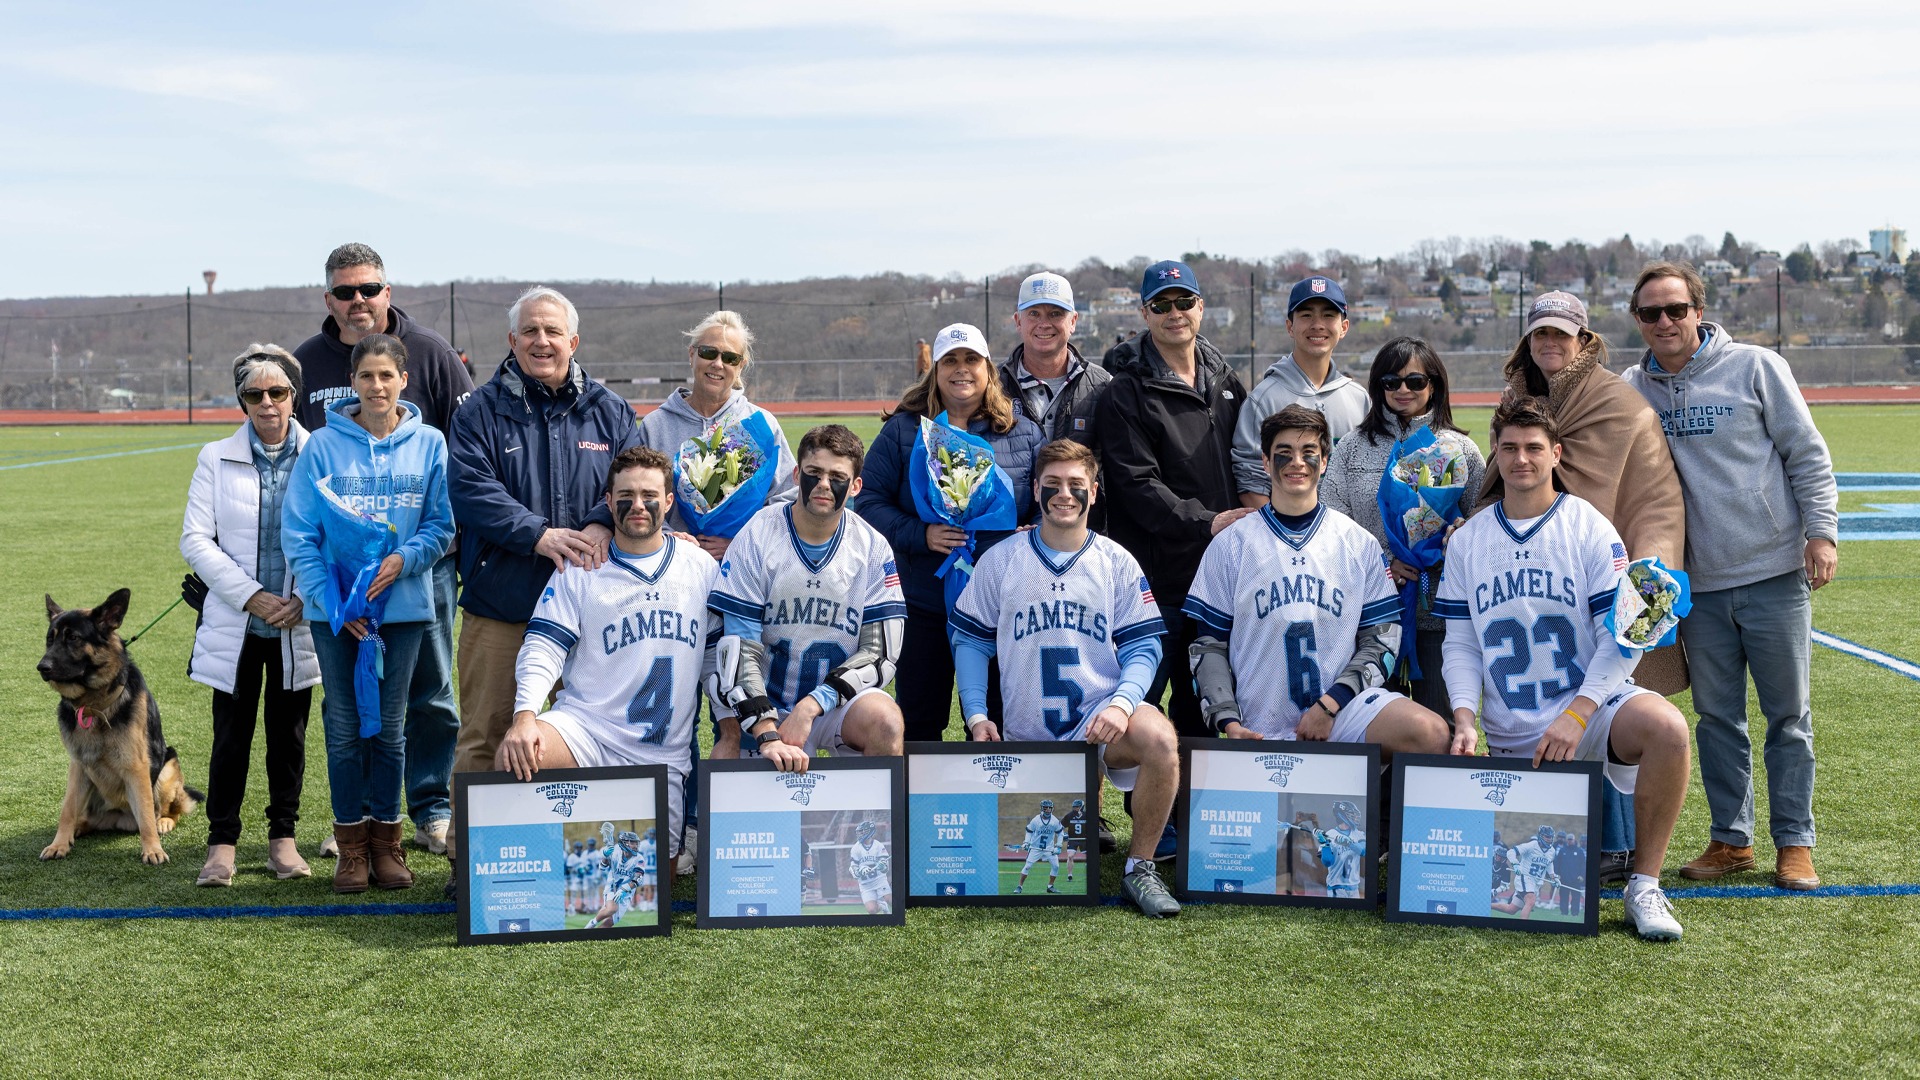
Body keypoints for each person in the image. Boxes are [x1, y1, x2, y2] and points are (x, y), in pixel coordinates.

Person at [1435, 397, 1693, 941]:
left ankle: (1644, 885)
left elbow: (1624, 639)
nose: (1521, 459)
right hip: (1512, 731)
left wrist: (1578, 713)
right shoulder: (1468, 542)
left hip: (1587, 713)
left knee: (1668, 728)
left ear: (1556, 453)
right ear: (1495, 455)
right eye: (1509, 447)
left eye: (1534, 448)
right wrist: (1463, 716)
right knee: (1502, 888)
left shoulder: (1591, 530)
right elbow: (1460, 643)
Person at [1622, 260, 1838, 891]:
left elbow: (1807, 452)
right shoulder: (1633, 387)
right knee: (1717, 719)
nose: (1664, 322)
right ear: (1637, 320)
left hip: (1772, 570)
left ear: (1699, 311)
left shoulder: (1757, 367)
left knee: (1787, 715)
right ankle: (1731, 839)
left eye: (1675, 310)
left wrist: (1820, 534)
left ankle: (1794, 841)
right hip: (1700, 584)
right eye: (1650, 313)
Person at [1487, 291, 1688, 886]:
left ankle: (1623, 851)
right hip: (1531, 578)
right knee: (1547, 699)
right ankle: (1576, 842)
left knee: (1604, 695)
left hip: (1601, 567)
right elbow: (1502, 478)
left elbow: (1652, 496)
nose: (1550, 344)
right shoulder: (1519, 399)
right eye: (1540, 334)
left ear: (1585, 340)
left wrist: (1650, 572)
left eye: (1562, 334)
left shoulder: (1617, 404)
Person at [949, 439, 1182, 917]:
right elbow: (971, 641)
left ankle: (1140, 868)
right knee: (1013, 866)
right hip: (1027, 736)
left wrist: (1122, 704)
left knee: (1158, 736)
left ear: (1094, 493)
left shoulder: (1116, 561)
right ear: (1035, 489)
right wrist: (975, 714)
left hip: (1097, 727)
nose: (1064, 494)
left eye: (1077, 485)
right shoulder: (1002, 559)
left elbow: (1145, 646)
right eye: (1052, 484)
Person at [294, 243, 471, 857]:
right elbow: (299, 469)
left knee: (430, 691)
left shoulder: (431, 352)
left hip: (421, 571)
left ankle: (430, 807)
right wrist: (321, 584)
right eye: (345, 292)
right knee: (348, 707)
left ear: (387, 293)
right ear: (329, 300)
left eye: (368, 289)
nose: (358, 301)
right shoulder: (306, 362)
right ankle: (360, 818)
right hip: (341, 582)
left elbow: (462, 441)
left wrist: (426, 550)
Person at [282, 334, 454, 893]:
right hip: (339, 616)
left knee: (393, 726)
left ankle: (388, 843)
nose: (376, 386)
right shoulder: (323, 448)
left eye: (386, 376)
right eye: (366, 377)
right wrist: (334, 604)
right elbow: (301, 534)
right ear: (351, 383)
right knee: (344, 725)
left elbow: (441, 526)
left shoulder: (429, 443)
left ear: (404, 379)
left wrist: (404, 559)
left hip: (403, 609)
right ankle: (350, 847)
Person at [447, 286, 637, 787]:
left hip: (590, 608)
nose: (541, 340)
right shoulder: (478, 411)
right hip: (502, 605)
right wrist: (537, 535)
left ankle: (572, 856)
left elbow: (637, 477)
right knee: (487, 736)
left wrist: (601, 519)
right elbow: (469, 489)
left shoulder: (611, 411)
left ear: (573, 341)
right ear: (512, 339)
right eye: (530, 330)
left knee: (586, 736)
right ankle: (470, 860)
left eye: (552, 331)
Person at [1186, 405, 1452, 756]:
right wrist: (1229, 723)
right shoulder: (1231, 544)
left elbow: (1383, 639)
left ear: (1324, 461)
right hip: (1260, 720)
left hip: (1341, 713)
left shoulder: (1357, 542)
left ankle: (1381, 805)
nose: (1297, 462)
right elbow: (1207, 646)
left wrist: (1330, 705)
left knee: (1430, 732)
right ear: (1265, 462)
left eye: (1308, 453)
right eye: (1284, 454)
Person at [496, 447, 720, 863]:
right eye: (626, 495)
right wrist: (525, 716)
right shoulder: (581, 567)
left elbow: (716, 660)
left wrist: (731, 727)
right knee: (520, 754)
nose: (638, 505)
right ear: (607, 500)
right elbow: (544, 644)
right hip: (588, 732)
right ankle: (534, 874)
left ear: (669, 502)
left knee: (654, 894)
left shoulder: (700, 568)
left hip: (660, 755)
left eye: (649, 495)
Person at [858, 323, 1042, 740]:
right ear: (936, 370)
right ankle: (926, 806)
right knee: (920, 721)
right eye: (951, 361)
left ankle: (998, 803)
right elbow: (868, 504)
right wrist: (921, 534)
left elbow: (1042, 503)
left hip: (998, 605)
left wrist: (1032, 533)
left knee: (998, 718)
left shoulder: (1021, 431)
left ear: (989, 369)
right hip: (923, 598)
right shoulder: (904, 430)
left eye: (972, 360)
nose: (962, 370)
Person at [181, 345, 321, 886]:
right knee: (230, 736)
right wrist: (253, 596)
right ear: (242, 400)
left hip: (299, 623)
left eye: (278, 392)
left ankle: (282, 840)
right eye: (254, 394)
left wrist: (303, 598)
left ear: (294, 395)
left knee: (289, 738)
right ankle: (221, 844)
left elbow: (339, 536)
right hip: (237, 624)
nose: (267, 403)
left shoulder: (322, 454)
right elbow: (195, 539)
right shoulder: (214, 457)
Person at [1096, 260, 1250, 739]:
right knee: (1138, 714)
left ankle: (1191, 815)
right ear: (1145, 313)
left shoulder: (1226, 383)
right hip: (1156, 584)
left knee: (1206, 707)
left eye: (1184, 302)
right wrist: (1209, 521)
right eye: (1161, 305)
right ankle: (1144, 815)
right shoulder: (1126, 392)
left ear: (1200, 307)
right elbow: (1137, 485)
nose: (1174, 313)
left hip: (1219, 578)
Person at [707, 425, 906, 768]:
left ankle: (870, 822)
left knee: (886, 721)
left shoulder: (872, 548)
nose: (825, 484)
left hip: (834, 704)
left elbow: (880, 653)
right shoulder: (757, 535)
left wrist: (813, 704)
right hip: (763, 702)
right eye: (815, 473)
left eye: (837, 476)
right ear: (797, 474)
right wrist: (767, 732)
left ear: (856, 486)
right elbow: (739, 647)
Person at [1320, 338, 1484, 717]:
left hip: (1439, 615)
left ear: (1435, 385)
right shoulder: (1352, 447)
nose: (1403, 390)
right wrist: (1385, 562)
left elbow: (1483, 522)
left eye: (1415, 381)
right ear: (1378, 386)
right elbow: (1332, 525)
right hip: (1371, 616)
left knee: (1440, 732)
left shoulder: (1461, 450)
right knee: (1373, 734)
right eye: (1391, 382)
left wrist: (1453, 542)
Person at [637, 310, 798, 560]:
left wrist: (741, 541)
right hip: (672, 563)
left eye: (730, 358)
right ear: (692, 355)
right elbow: (639, 495)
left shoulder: (762, 425)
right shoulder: (655, 425)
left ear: (741, 366)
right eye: (709, 353)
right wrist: (671, 538)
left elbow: (788, 496)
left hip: (744, 565)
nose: (718, 364)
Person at [1232, 276, 1370, 508]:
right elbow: (1250, 481)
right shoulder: (1264, 398)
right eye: (1306, 315)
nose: (1317, 324)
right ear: (1290, 326)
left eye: (1328, 315)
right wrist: (1284, 536)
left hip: (1346, 538)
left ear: (1344, 327)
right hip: (1285, 537)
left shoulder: (1359, 399)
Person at [1014, 800, 1067, 894]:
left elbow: (1060, 833)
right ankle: (1019, 886)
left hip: (1049, 848)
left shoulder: (1054, 821)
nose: (1047, 810)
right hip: (1035, 848)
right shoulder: (1036, 819)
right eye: (1045, 808)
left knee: (1056, 866)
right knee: (1027, 866)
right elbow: (1029, 831)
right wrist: (1026, 842)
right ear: (1042, 808)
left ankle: (1050, 886)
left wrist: (1058, 846)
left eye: (1049, 808)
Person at [847, 819, 894, 915]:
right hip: (865, 884)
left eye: (863, 832)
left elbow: (885, 867)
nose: (860, 834)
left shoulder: (878, 846)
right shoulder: (856, 848)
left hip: (879, 880)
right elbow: (853, 867)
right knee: (872, 910)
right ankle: (882, 906)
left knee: (891, 900)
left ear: (870, 832)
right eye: (859, 832)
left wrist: (882, 866)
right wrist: (860, 870)